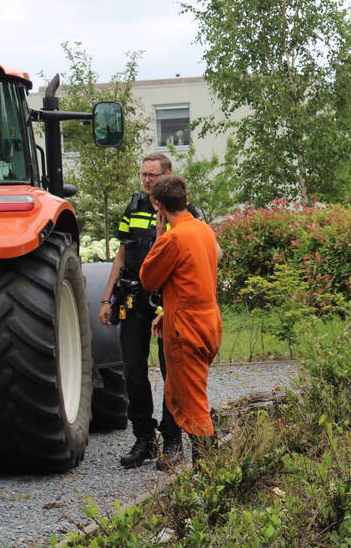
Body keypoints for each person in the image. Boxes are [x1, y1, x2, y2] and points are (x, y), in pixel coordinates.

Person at [99, 152, 201, 470]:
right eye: (143, 174)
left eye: (151, 176)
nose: (145, 180)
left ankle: (172, 439)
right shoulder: (134, 208)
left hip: (167, 302)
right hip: (133, 298)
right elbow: (121, 255)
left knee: (172, 372)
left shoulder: (184, 213)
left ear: (166, 177)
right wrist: (106, 299)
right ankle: (144, 438)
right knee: (133, 372)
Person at [140, 175, 223, 464]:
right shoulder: (203, 230)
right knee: (189, 393)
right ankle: (210, 470)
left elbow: (148, 278)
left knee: (191, 401)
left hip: (187, 329)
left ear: (158, 205)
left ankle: (209, 472)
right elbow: (195, 277)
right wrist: (168, 310)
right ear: (185, 200)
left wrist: (159, 236)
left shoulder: (173, 238)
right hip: (208, 321)